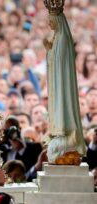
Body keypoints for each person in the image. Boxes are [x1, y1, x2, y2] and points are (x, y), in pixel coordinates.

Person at [43, 0, 86, 164]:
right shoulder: (58, 38)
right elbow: (55, 61)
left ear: (58, 21)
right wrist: (49, 50)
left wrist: (50, 51)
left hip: (62, 84)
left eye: (51, 20)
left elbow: (60, 62)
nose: (49, 23)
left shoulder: (62, 39)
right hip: (57, 81)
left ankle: (65, 133)